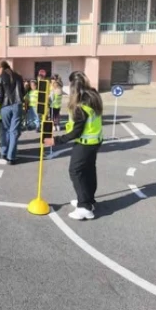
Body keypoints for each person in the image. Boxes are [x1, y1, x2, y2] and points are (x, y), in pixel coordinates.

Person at [44, 71, 104, 220]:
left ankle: (84, 207)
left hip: (85, 143)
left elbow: (76, 132)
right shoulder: (93, 95)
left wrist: (56, 140)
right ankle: (88, 200)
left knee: (75, 171)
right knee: (89, 170)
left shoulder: (79, 106)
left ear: (73, 88)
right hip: (95, 141)